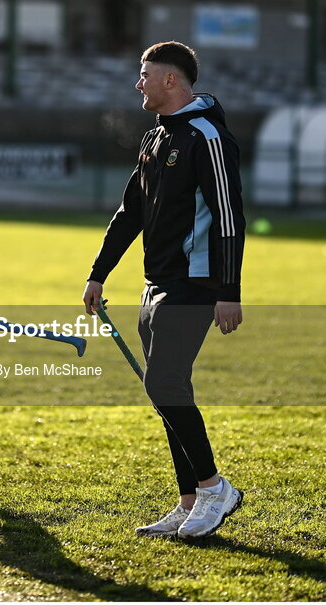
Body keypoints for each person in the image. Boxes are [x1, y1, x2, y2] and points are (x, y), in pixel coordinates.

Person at [82, 41, 246, 539]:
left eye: (145, 74)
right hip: (157, 284)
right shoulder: (156, 137)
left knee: (164, 384)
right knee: (166, 389)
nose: (139, 83)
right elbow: (130, 211)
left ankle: (217, 489)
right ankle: (191, 498)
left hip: (196, 283)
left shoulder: (206, 136)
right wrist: (98, 272)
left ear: (171, 80)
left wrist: (229, 289)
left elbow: (229, 218)